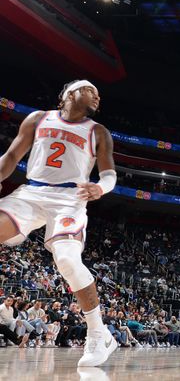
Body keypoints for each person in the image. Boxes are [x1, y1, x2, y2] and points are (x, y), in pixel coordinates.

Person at [0, 80, 118, 366]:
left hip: (70, 198)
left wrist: (99, 188)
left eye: (98, 94)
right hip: (32, 192)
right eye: (91, 90)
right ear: (69, 93)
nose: (97, 96)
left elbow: (109, 174)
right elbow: (13, 155)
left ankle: (99, 334)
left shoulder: (98, 132)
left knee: (66, 260)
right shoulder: (38, 119)